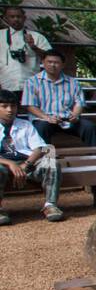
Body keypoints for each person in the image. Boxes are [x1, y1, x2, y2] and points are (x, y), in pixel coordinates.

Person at [0, 88, 62, 223]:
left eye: (13, 106)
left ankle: (50, 205)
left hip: (26, 165)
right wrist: (10, 164)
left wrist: (25, 165)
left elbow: (41, 147)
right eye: (4, 106)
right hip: (3, 167)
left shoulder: (25, 125)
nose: (10, 110)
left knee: (52, 161)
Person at [21, 51, 96, 146]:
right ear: (43, 62)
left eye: (56, 62)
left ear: (63, 65)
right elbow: (30, 105)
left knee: (89, 127)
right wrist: (47, 118)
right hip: (43, 119)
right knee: (41, 128)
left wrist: (75, 115)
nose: (52, 65)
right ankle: (46, 158)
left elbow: (79, 102)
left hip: (67, 119)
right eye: (49, 62)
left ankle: (93, 157)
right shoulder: (32, 82)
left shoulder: (73, 82)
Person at [1, 5, 53, 93]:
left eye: (19, 16)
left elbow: (50, 58)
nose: (16, 19)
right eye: (12, 17)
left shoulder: (37, 37)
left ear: (24, 18)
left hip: (31, 86)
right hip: (4, 85)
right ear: (6, 19)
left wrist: (34, 47)